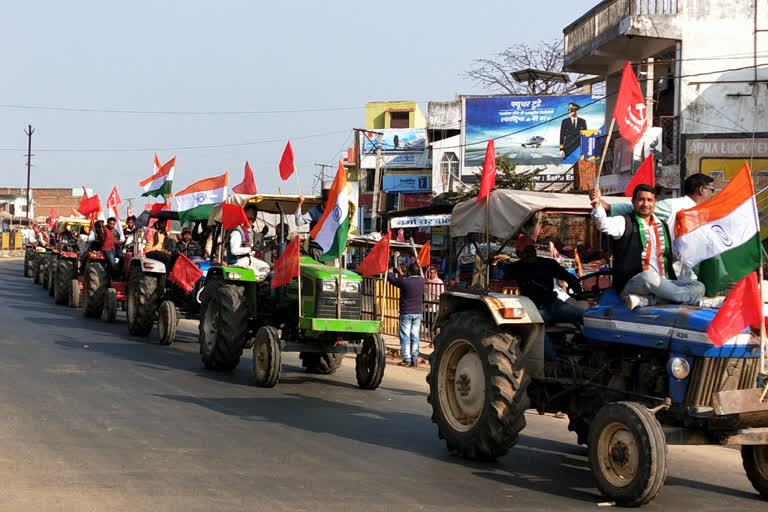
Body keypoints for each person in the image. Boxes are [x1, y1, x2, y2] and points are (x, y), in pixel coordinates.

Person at [590, 184, 723, 310]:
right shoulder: (624, 222)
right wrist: (596, 204)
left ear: (655, 203)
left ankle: (648, 301)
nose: (645, 204)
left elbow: (670, 256)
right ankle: (699, 301)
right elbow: (603, 224)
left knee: (698, 286)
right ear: (633, 202)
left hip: (663, 283)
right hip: (634, 284)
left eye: (649, 200)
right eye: (641, 200)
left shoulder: (662, 225)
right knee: (648, 277)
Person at [505, 235, 584, 325]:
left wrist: (578, 293)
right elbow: (500, 278)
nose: (530, 253)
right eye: (526, 251)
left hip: (553, 304)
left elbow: (569, 278)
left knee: (585, 316)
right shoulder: (513, 268)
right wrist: (492, 264)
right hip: (530, 308)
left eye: (532, 249)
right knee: (536, 328)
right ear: (519, 254)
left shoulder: (548, 264)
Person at [388, 262, 425, 367]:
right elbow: (408, 282)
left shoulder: (404, 282)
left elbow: (393, 280)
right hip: (417, 313)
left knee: (405, 336)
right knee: (415, 335)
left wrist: (390, 272)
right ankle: (414, 359)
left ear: (409, 271)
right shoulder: (422, 281)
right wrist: (402, 275)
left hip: (406, 312)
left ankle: (406, 359)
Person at [227, 205, 270, 281]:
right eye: (248, 218)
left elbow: (254, 248)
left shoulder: (250, 232)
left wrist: (252, 249)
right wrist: (249, 249)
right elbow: (234, 250)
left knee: (265, 267)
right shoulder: (237, 232)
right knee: (255, 274)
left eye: (253, 218)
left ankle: (260, 289)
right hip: (237, 262)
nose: (250, 221)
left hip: (248, 259)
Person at [296, 186, 330, 262]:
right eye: (329, 201)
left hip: (330, 250)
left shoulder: (335, 213)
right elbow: (299, 222)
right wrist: (299, 205)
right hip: (316, 249)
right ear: (325, 201)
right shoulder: (314, 211)